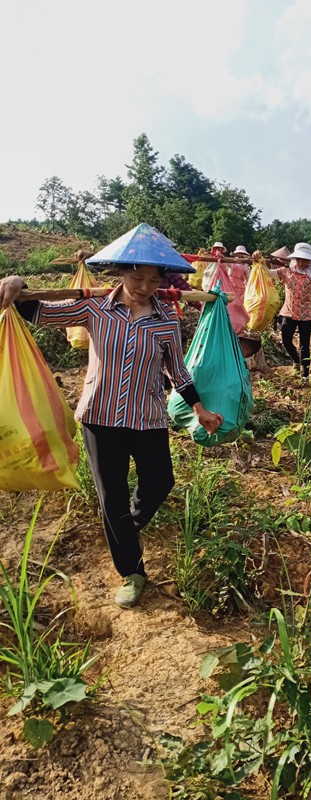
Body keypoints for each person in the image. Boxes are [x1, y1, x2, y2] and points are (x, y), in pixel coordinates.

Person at [0, 224, 223, 610]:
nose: (145, 286)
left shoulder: (167, 320)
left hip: (147, 416)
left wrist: (199, 409)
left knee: (160, 481)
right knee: (112, 495)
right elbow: (38, 312)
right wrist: (16, 283)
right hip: (100, 417)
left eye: (153, 280)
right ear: (120, 273)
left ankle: (126, 527)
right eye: (137, 277)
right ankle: (132, 571)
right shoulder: (94, 308)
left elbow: (178, 371)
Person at [268, 242, 311, 380]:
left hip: (306, 315)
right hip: (288, 312)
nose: (301, 262)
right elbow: (269, 273)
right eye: (299, 258)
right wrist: (258, 263)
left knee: (304, 346)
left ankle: (305, 376)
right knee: (286, 340)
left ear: (309, 262)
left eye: (304, 259)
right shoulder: (285, 272)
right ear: (294, 258)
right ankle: (295, 360)